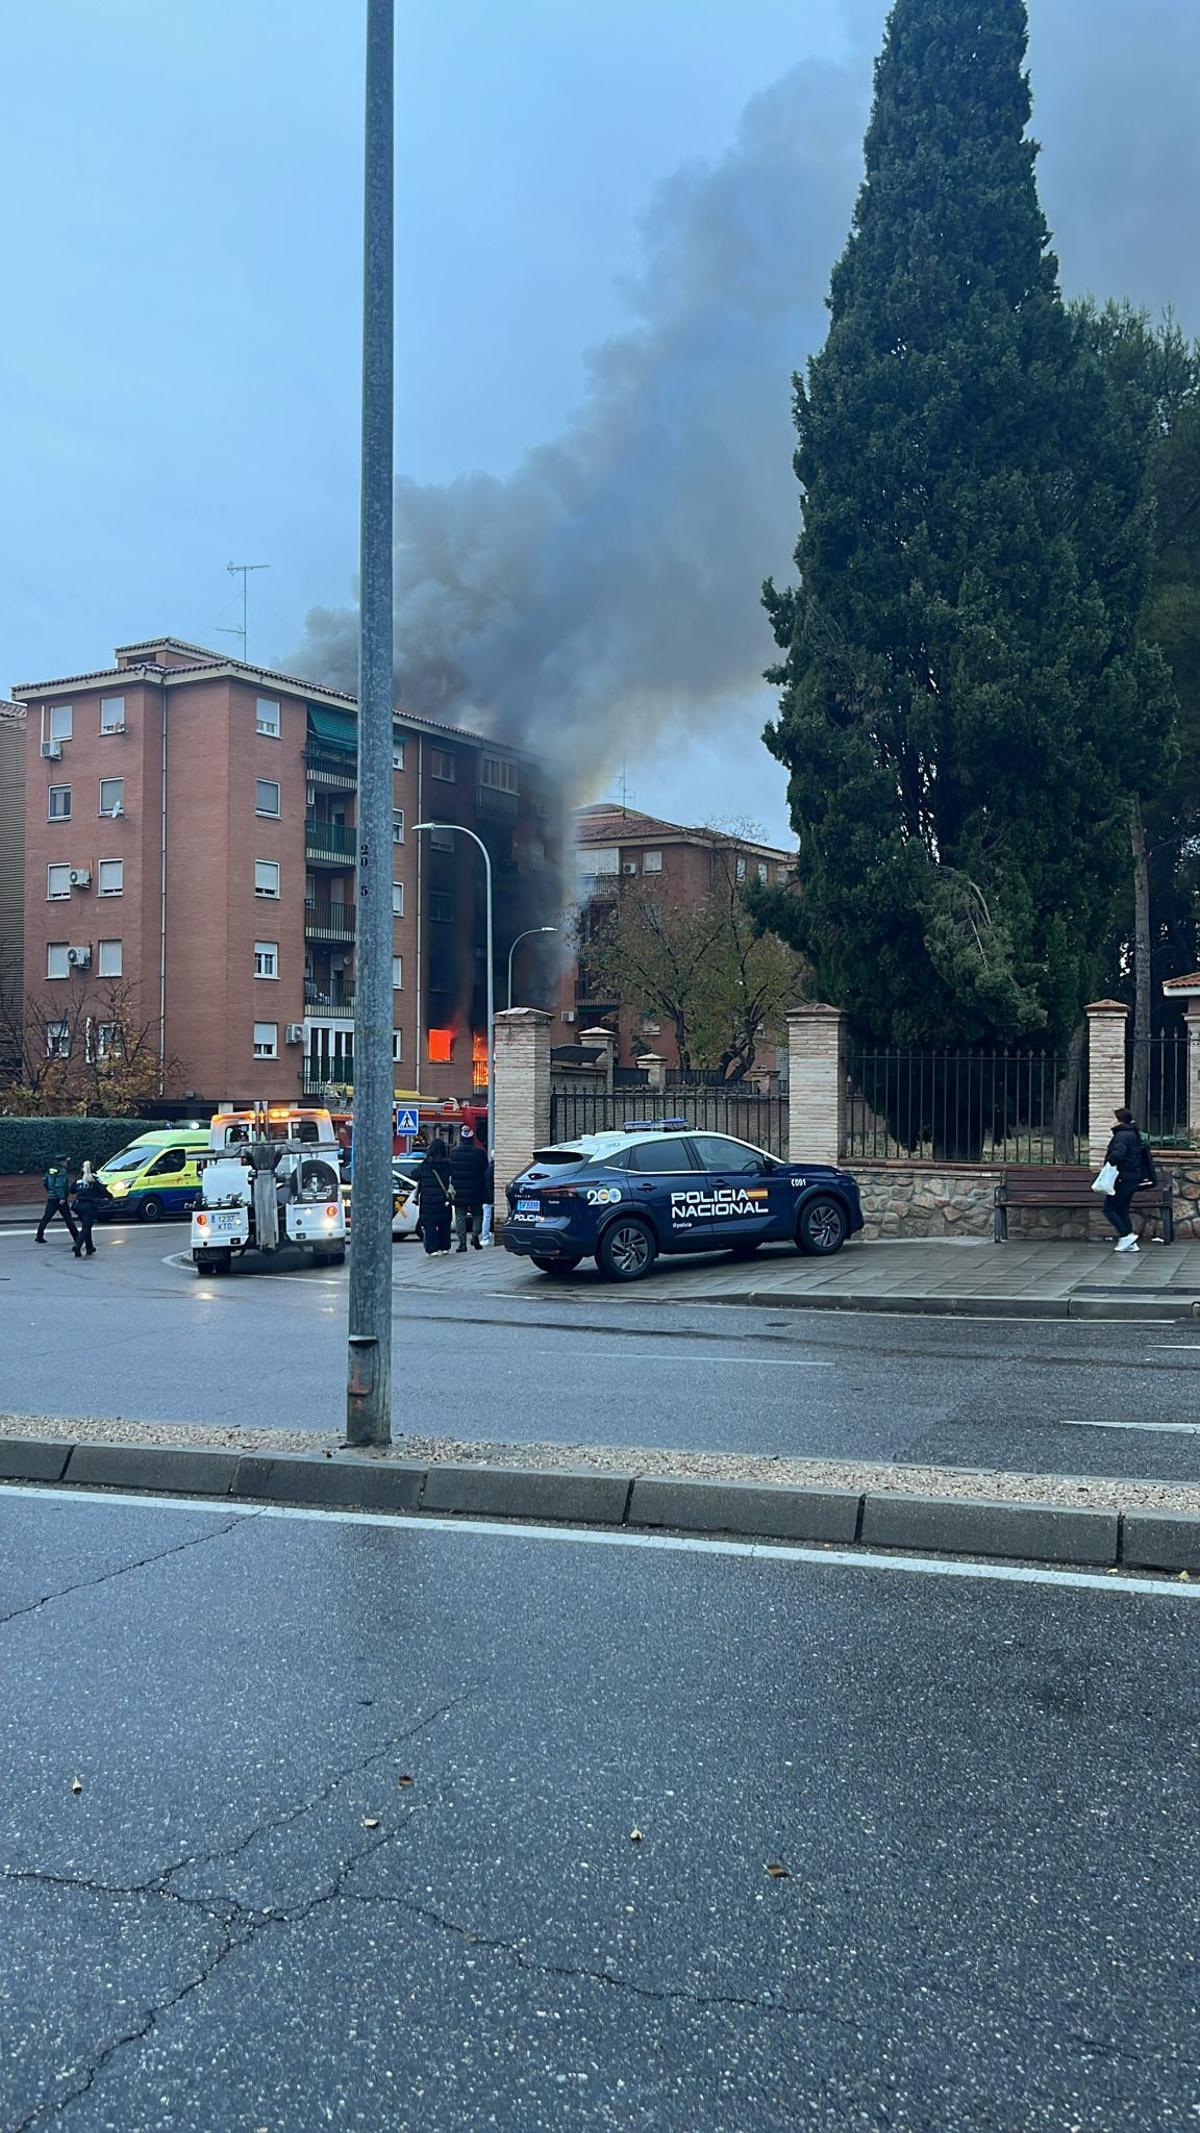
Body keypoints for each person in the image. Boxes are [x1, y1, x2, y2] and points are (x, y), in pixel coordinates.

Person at [1102, 1106, 1152, 1253]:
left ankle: (1126, 1236)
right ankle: (1130, 1243)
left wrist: (1109, 1162)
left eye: (1113, 1118)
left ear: (1119, 1120)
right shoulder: (1133, 1134)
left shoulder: (1122, 1136)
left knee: (1109, 1209)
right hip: (1133, 1176)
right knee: (1122, 1209)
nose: (1110, 1121)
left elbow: (1118, 1154)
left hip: (1123, 1176)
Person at [449, 1125, 488, 1251]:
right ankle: (475, 1234)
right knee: (478, 1214)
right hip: (476, 1190)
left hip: (459, 1191)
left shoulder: (453, 1153)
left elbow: (451, 1170)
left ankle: (462, 1243)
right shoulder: (480, 1153)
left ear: (461, 1138)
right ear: (472, 1138)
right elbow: (485, 1169)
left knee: (460, 1217)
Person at [413, 1136, 453, 1256]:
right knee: (444, 1224)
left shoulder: (426, 1165)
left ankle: (432, 1249)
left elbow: (414, 1174)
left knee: (429, 1225)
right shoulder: (447, 1165)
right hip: (443, 1200)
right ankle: (445, 1247)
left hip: (428, 1201)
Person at [35, 1157, 80, 1248]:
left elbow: (45, 1181)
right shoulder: (61, 1171)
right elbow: (59, 1185)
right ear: (61, 1162)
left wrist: (50, 1192)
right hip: (60, 1199)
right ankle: (77, 1237)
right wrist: (62, 1197)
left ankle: (39, 1236)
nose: (67, 1163)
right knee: (68, 1219)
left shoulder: (51, 1170)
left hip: (52, 1198)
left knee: (46, 1217)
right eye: (66, 1161)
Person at [70, 1164, 108, 1258]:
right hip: (89, 1206)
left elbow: (72, 1190)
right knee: (86, 1228)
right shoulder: (93, 1180)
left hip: (79, 1206)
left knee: (86, 1226)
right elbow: (103, 1190)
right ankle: (78, 1246)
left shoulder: (79, 1180)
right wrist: (110, 1197)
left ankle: (89, 1247)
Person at [480, 1155, 495, 1246]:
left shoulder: (489, 1169)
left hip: (488, 1197)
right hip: (491, 1196)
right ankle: (486, 1235)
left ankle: (485, 1237)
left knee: (486, 1217)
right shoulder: (493, 1169)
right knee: (487, 1216)